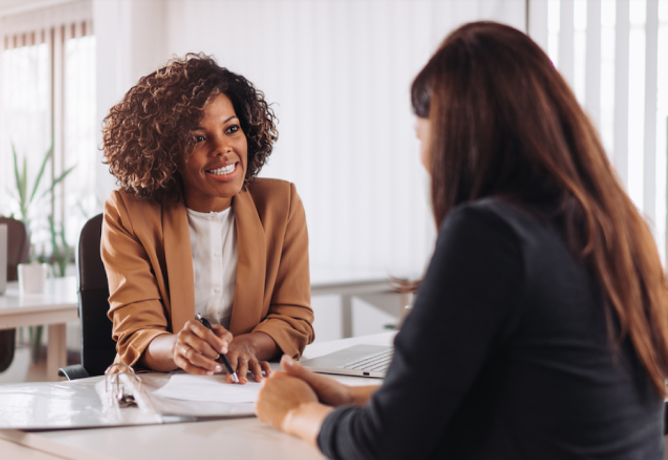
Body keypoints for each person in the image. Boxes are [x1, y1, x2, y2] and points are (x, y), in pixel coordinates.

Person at [255, 21, 668, 459]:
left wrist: (295, 412)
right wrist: (353, 398)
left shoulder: (491, 235)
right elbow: (532, 401)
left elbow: (384, 447)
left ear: (456, 134)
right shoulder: (619, 226)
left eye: (420, 134)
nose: (423, 158)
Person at [100, 54, 314, 384]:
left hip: (247, 389)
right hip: (158, 394)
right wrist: (177, 348)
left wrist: (248, 345)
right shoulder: (127, 212)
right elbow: (137, 332)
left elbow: (294, 318)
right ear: (166, 150)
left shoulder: (280, 204)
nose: (223, 148)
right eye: (198, 137)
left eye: (231, 129)